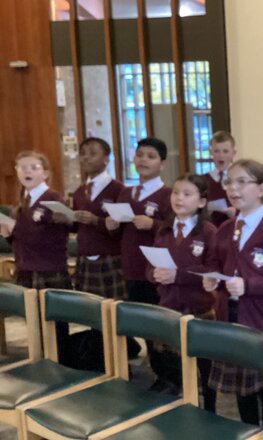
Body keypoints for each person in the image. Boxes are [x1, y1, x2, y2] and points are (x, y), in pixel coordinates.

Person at [204, 159, 263, 426]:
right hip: (229, 317)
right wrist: (212, 279)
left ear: (261, 189)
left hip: (261, 321)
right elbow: (214, 262)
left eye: (242, 182)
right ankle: (249, 431)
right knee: (240, 389)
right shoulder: (225, 228)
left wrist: (249, 285)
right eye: (229, 182)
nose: (234, 188)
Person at [106, 138, 172, 388]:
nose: (143, 160)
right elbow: (119, 233)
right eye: (140, 155)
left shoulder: (167, 195)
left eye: (151, 156)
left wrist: (152, 225)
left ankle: (169, 376)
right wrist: (112, 225)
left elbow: (174, 230)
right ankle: (155, 371)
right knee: (141, 322)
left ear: (162, 164)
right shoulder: (126, 192)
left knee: (158, 325)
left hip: (155, 270)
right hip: (130, 267)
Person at [148, 174, 217, 405]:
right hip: (169, 306)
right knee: (175, 362)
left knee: (205, 365)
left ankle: (209, 407)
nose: (179, 198)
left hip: (199, 307)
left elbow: (212, 270)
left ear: (201, 202)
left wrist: (178, 275)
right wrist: (154, 274)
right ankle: (186, 404)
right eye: (176, 193)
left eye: (187, 194)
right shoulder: (164, 230)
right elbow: (150, 266)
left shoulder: (208, 231)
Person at [1, 151, 72, 365]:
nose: (27, 172)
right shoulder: (22, 203)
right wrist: (9, 234)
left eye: (33, 167)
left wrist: (16, 228)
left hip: (50, 269)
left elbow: (50, 238)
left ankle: (61, 363)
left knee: (55, 323)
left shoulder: (52, 198)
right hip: (27, 267)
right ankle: (42, 361)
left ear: (45, 173)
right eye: (22, 168)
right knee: (35, 322)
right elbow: (21, 241)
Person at [69, 137, 126, 299]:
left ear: (106, 159)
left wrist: (96, 221)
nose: (86, 158)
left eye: (93, 153)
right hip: (84, 258)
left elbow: (122, 229)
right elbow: (76, 226)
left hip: (109, 258)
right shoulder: (80, 191)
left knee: (111, 311)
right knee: (88, 311)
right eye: (82, 154)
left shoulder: (118, 189)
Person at [203, 131, 236, 227]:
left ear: (233, 153)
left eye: (225, 151)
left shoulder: (240, 178)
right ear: (211, 152)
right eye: (216, 151)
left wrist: (236, 211)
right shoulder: (204, 179)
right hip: (211, 228)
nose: (221, 155)